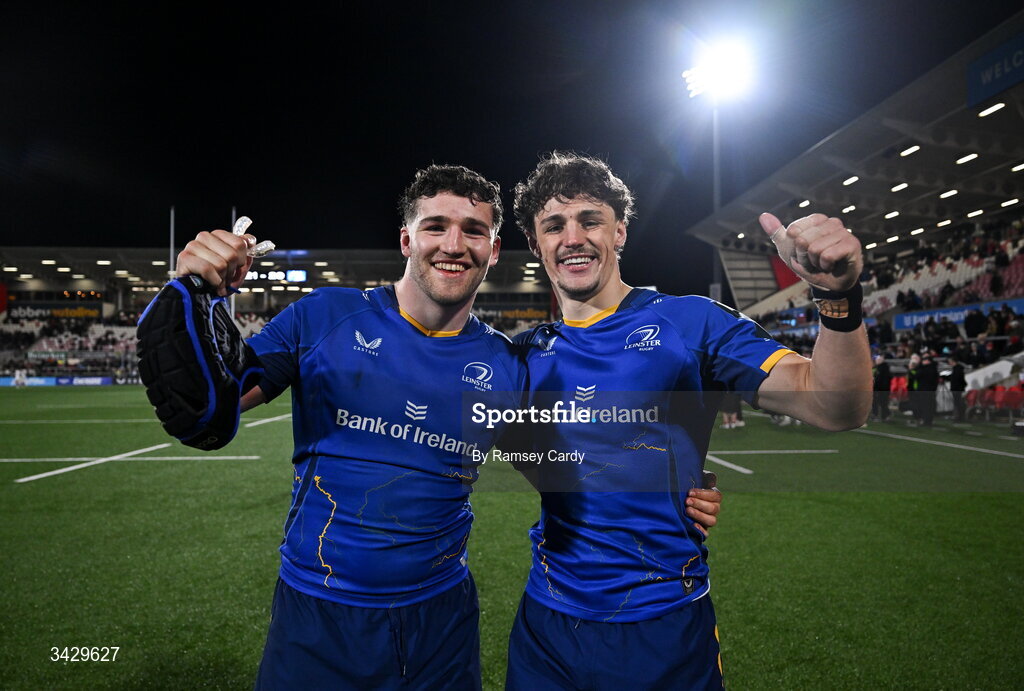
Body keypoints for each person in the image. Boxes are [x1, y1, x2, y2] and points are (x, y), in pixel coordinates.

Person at [154, 164, 723, 689]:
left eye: (473, 231)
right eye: (436, 227)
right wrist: (196, 290)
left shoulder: (508, 364)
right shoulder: (323, 317)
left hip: (442, 622)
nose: (454, 245)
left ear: (494, 249)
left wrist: (681, 489)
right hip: (318, 612)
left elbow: (569, 462)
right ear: (407, 240)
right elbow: (208, 415)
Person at [506, 152, 871, 689]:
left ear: (620, 231)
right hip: (546, 627)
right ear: (537, 245)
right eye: (553, 225)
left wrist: (837, 297)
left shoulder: (690, 322)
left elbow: (834, 406)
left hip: (663, 624)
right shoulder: (521, 355)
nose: (573, 237)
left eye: (590, 220)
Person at [872, 354, 892, 422]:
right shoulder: (879, 368)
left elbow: (880, 379)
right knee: (879, 402)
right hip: (880, 388)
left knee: (882, 403)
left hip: (882, 389)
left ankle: (885, 416)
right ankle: (882, 415)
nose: (876, 361)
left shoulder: (883, 368)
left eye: (878, 359)